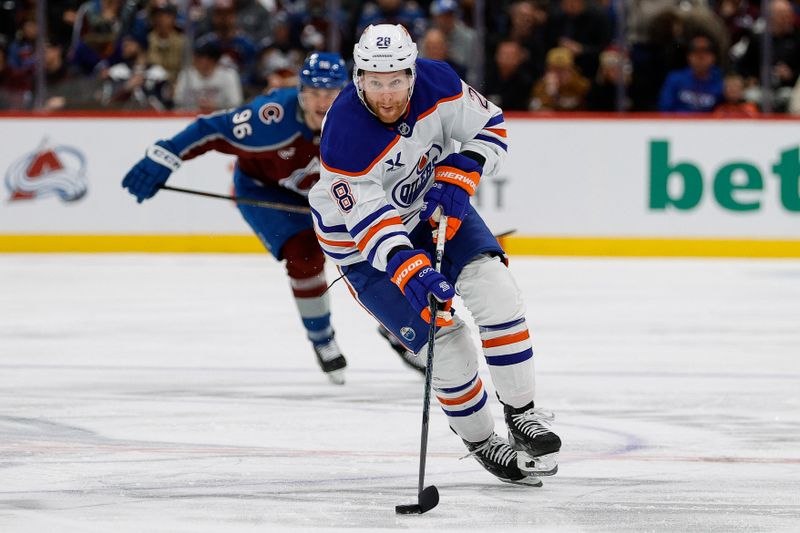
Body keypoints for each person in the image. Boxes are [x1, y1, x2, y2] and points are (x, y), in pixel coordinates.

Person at [309, 24, 562, 485]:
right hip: (365, 247)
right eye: (374, 82)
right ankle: (483, 442)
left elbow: (491, 124)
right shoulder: (343, 135)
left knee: (497, 292)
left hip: (431, 208)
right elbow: (371, 225)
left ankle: (522, 414)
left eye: (396, 81)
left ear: (411, 72)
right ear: (358, 76)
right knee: (445, 343)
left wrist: (467, 167)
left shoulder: (439, 82)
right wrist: (411, 270)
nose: (386, 95)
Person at [121, 53, 354, 384]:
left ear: (344, 92)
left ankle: (396, 330)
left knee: (375, 248)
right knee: (305, 254)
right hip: (266, 191)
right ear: (300, 91)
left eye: (330, 93)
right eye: (314, 92)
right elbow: (210, 129)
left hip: (330, 193)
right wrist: (167, 154)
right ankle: (322, 339)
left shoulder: (358, 120)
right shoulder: (269, 119)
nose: (322, 101)